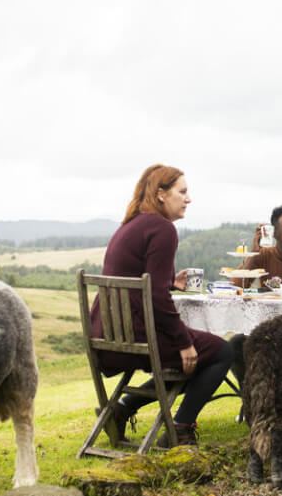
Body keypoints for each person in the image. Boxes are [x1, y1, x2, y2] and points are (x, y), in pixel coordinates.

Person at [92, 164, 235, 446]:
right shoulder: (163, 228)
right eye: (182, 192)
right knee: (221, 351)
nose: (188, 198)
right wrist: (183, 342)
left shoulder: (130, 225)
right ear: (160, 194)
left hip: (107, 336)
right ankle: (179, 430)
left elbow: (142, 282)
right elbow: (156, 297)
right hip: (138, 336)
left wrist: (169, 282)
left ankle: (122, 409)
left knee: (194, 359)